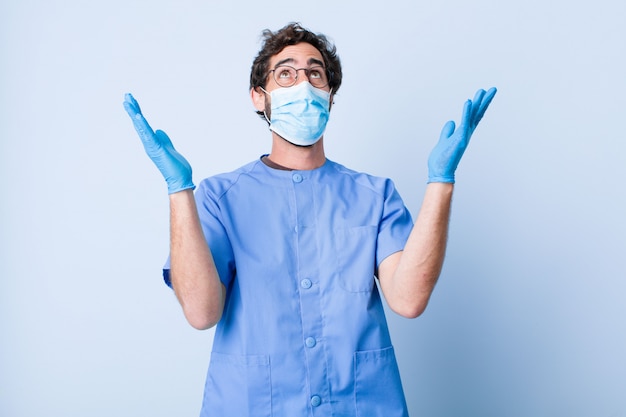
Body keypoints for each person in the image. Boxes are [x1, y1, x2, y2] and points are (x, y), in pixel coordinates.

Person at [124, 22, 496, 417]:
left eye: (315, 73)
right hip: (253, 405)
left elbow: (408, 299)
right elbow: (201, 312)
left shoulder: (375, 195)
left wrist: (441, 182)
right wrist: (179, 188)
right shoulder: (220, 198)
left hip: (362, 405)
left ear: (330, 96)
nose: (303, 83)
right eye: (285, 73)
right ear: (258, 97)